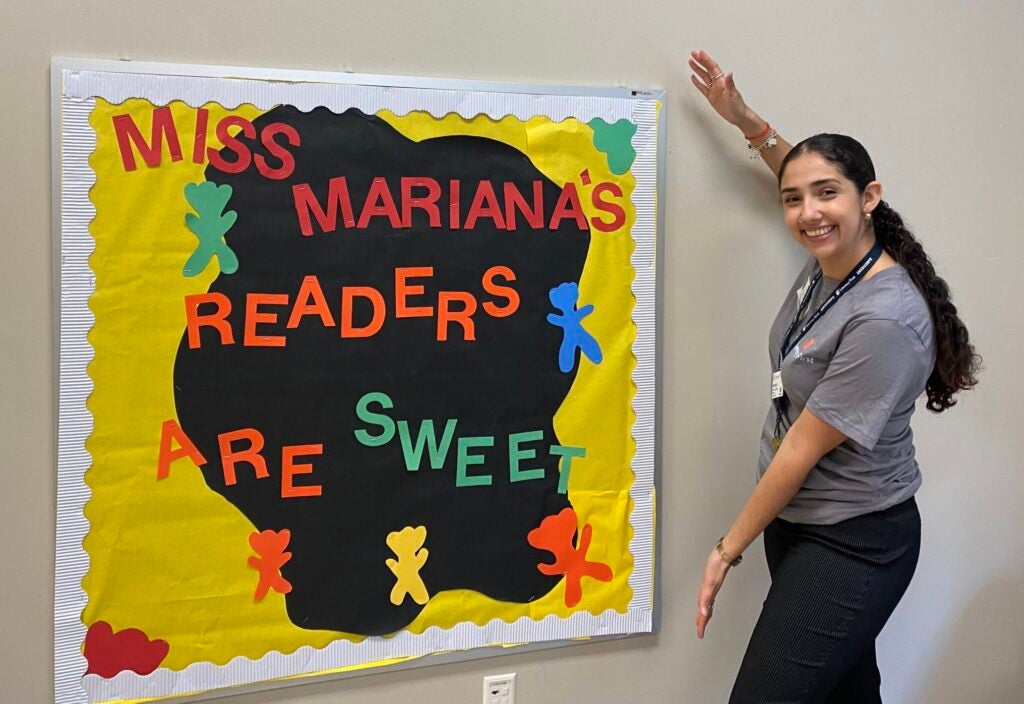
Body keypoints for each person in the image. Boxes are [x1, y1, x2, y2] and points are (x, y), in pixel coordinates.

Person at [687, 50, 981, 703]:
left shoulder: (884, 316)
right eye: (793, 200)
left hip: (855, 540)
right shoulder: (834, 260)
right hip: (803, 524)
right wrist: (746, 120)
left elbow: (801, 448)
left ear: (869, 198)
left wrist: (726, 550)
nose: (808, 212)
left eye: (828, 195)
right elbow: (811, 178)